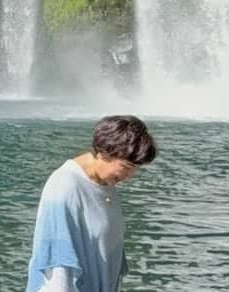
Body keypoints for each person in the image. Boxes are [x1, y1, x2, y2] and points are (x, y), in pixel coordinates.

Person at [26, 115, 159, 292]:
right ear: (104, 153)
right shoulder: (65, 187)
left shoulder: (105, 183)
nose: (129, 177)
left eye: (134, 170)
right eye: (126, 168)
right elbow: (59, 264)